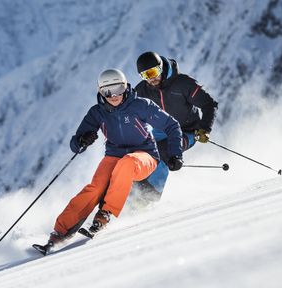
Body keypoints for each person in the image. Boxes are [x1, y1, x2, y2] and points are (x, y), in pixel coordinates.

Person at [36, 69, 183, 254]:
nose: (114, 96)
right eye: (108, 91)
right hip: (114, 156)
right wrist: (82, 141)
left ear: (125, 87)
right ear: (100, 91)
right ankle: (60, 232)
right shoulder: (97, 113)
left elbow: (172, 125)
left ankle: (104, 215)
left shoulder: (141, 105)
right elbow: (76, 143)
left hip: (144, 156)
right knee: (95, 188)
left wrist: (176, 154)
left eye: (118, 89)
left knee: (127, 163)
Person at [133, 51, 218, 201]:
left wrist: (205, 128)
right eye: (146, 75)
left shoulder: (183, 84)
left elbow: (209, 104)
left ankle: (148, 198)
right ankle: (131, 193)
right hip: (158, 131)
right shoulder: (142, 90)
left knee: (165, 152)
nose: (151, 78)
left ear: (161, 68)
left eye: (153, 72)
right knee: (139, 154)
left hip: (185, 131)